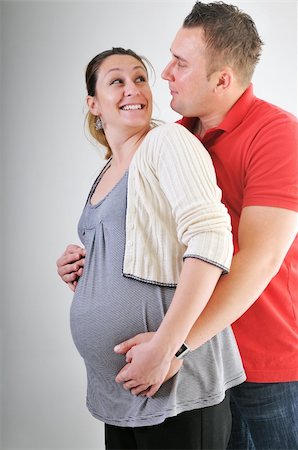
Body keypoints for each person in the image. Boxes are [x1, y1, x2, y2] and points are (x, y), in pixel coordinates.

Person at [57, 3, 298, 449]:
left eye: (180, 63)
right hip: (191, 360)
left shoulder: (276, 134)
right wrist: (95, 269)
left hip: (264, 366)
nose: (164, 72)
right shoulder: (173, 136)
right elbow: (154, 241)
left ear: (222, 79)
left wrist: (175, 345)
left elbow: (259, 259)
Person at [60, 46, 245, 450]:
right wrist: (84, 268)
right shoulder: (107, 169)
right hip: (122, 390)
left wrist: (165, 347)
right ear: (93, 103)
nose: (134, 89)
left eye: (140, 78)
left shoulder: (167, 141)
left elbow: (212, 237)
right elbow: (144, 252)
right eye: (117, 81)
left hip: (174, 379)